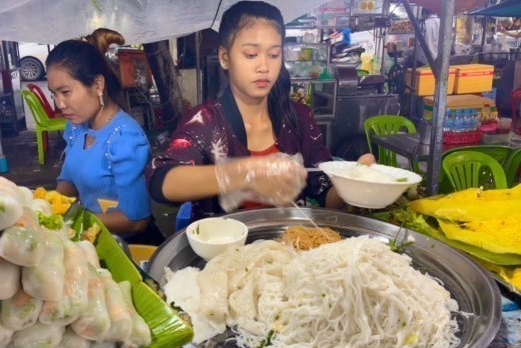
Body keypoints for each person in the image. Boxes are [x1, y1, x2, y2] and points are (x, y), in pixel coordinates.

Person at [147, 0, 374, 221]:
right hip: (227, 254)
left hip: (293, 248)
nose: (264, 67)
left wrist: (354, 181)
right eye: (251, 55)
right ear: (225, 57)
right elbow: (161, 181)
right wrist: (246, 174)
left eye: (274, 55)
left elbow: (326, 196)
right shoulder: (204, 123)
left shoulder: (299, 119)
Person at [46, 39, 163, 244]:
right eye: (54, 94)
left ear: (98, 84)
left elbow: (136, 220)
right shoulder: (75, 127)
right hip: (89, 239)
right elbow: (69, 180)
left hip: (128, 246)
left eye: (65, 92)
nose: (59, 104)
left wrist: (73, 220)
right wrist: (48, 208)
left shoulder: (126, 140)